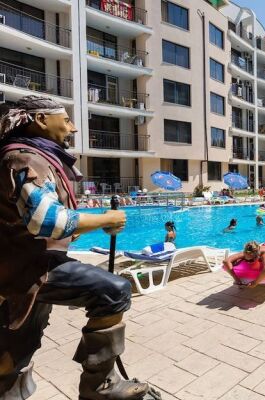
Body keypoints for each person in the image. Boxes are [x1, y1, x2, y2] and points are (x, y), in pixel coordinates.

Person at [0, 96, 151, 399]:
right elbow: (46, 220)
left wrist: (73, 231)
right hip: (30, 268)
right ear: (41, 120)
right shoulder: (25, 158)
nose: (73, 128)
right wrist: (104, 218)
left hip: (22, 266)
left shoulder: (25, 155)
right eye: (66, 119)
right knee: (113, 291)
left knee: (17, 347)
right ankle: (100, 385)